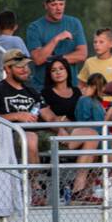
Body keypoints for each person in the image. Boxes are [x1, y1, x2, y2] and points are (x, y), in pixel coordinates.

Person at [0, 50, 60, 202]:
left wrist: (63, 130)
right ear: (7, 69)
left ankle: (80, 189)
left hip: (36, 134)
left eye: (26, 66)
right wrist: (16, 116)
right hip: (8, 138)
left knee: (87, 134)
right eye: (19, 66)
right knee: (30, 138)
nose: (25, 70)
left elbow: (49, 116)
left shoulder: (31, 90)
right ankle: (34, 186)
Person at [41, 58, 101, 201]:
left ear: (67, 70)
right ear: (49, 74)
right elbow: (47, 116)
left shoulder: (77, 92)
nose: (58, 73)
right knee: (92, 137)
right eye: (54, 70)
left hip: (77, 129)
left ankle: (81, 189)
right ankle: (79, 189)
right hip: (56, 131)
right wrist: (61, 121)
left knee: (96, 139)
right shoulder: (46, 93)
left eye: (61, 69)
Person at [78, 73, 112, 203]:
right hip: (91, 139)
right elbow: (89, 126)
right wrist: (108, 116)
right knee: (111, 161)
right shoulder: (85, 100)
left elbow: (101, 123)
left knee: (106, 161)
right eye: (102, 88)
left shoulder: (96, 102)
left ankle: (84, 191)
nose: (103, 92)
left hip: (99, 139)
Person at [25, 0, 87, 91]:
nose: (58, 8)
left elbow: (82, 55)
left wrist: (53, 59)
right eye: (54, 5)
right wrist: (56, 39)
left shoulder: (74, 23)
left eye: (61, 4)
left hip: (70, 88)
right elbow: (38, 59)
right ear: (45, 5)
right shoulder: (35, 27)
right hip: (43, 88)